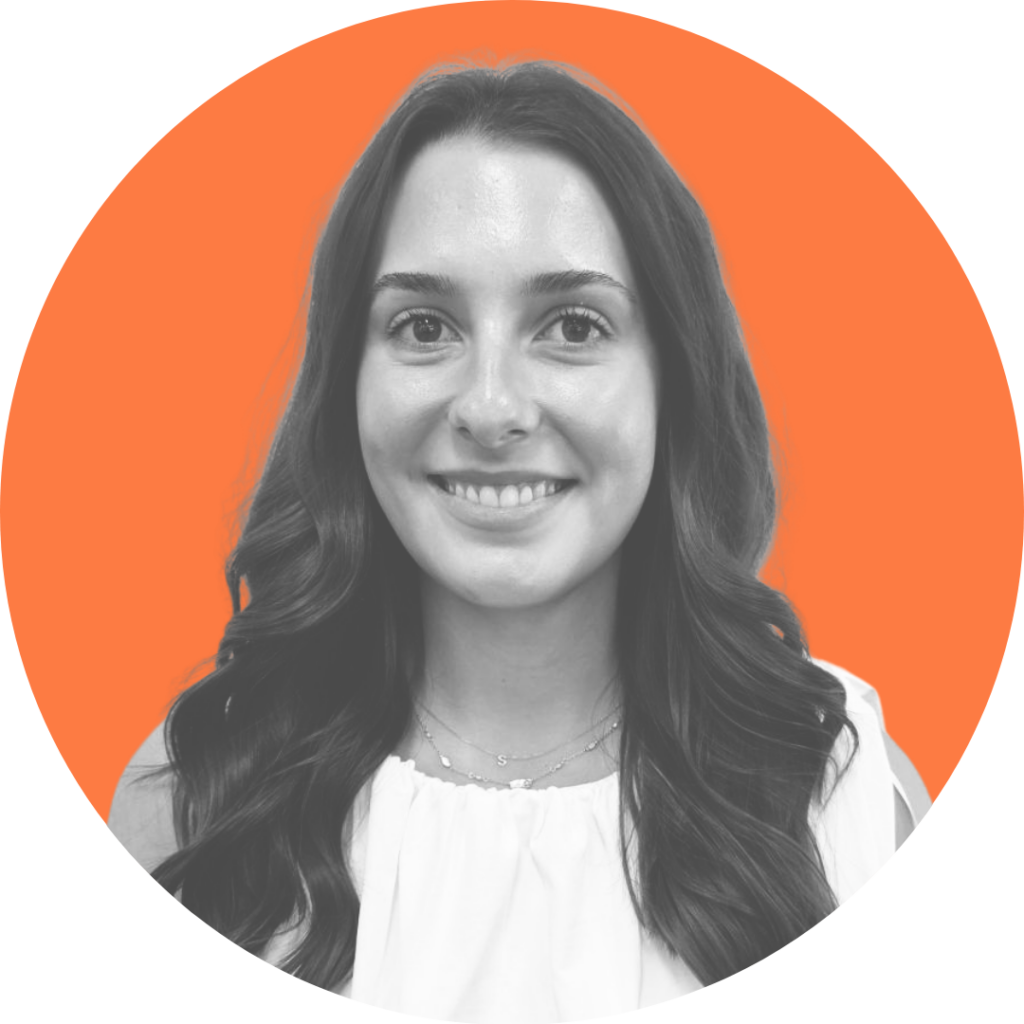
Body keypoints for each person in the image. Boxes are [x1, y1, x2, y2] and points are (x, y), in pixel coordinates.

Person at [109, 61, 930, 1021]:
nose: (491, 407)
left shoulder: (841, 793)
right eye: (424, 326)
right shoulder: (197, 798)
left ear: (673, 380)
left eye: (573, 326)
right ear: (347, 383)